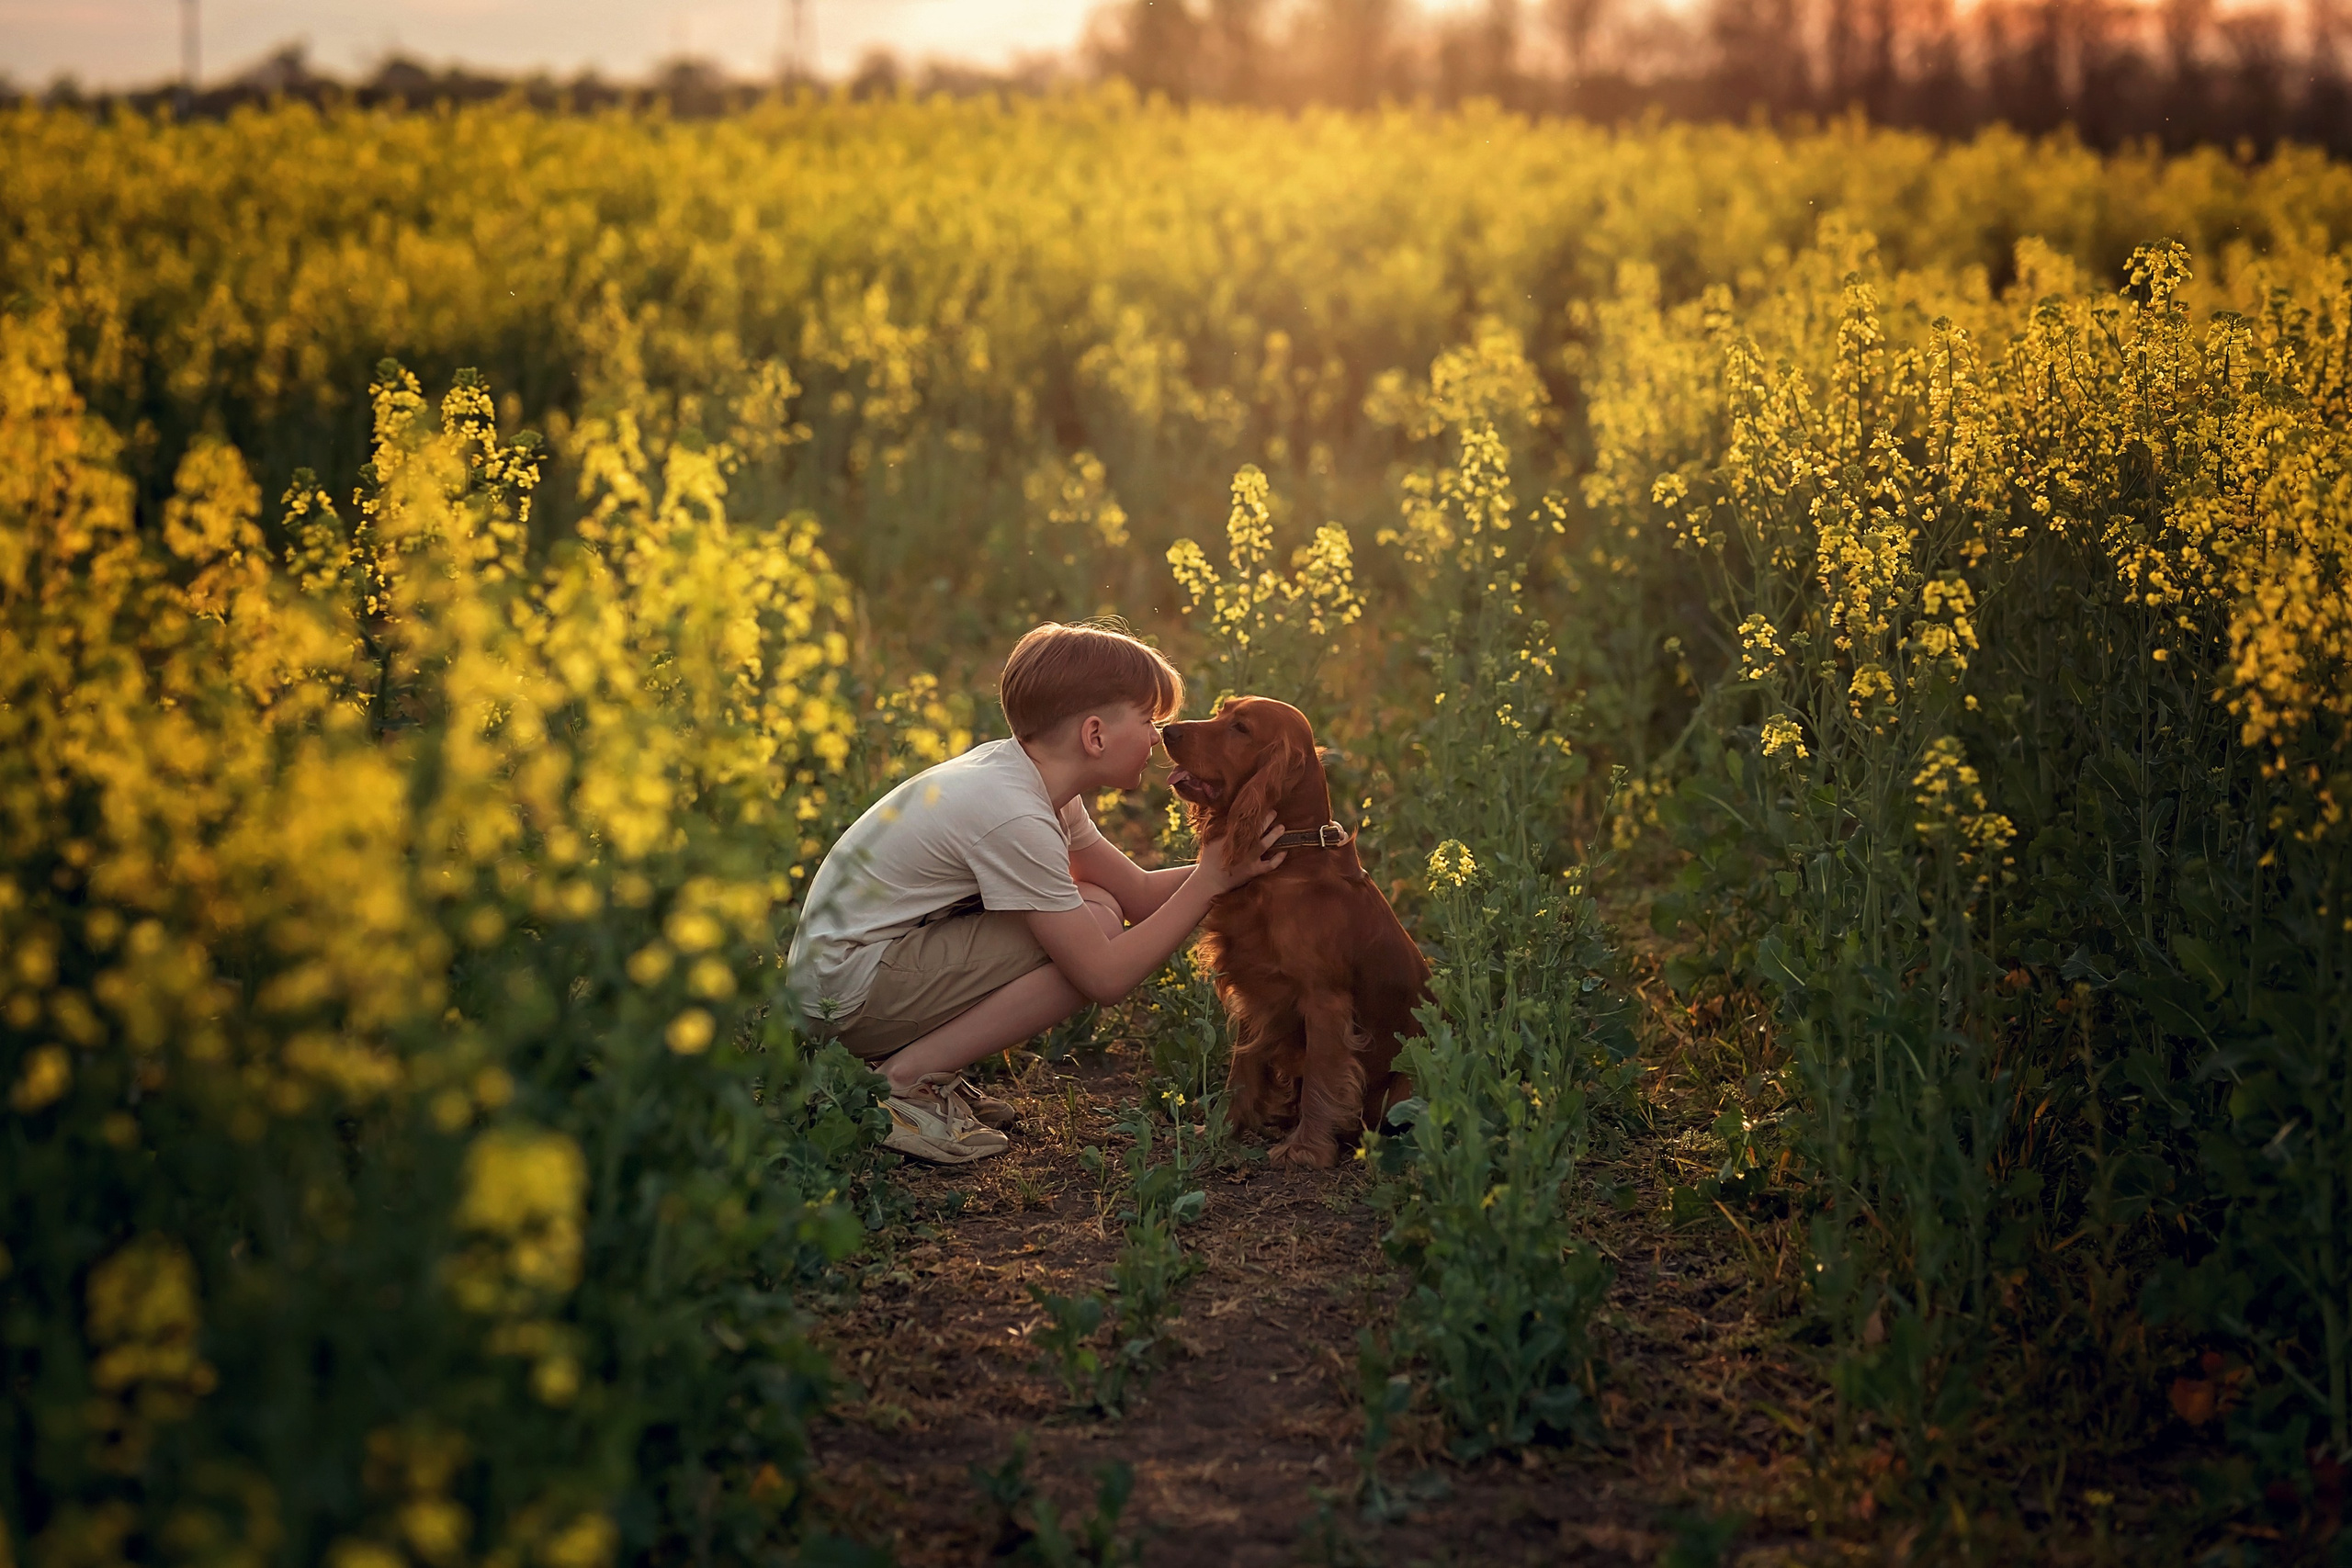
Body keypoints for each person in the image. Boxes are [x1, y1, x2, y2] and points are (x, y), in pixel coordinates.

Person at [786, 621, 1288, 1163]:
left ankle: (923, 1069)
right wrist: (1211, 880)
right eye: (1149, 721)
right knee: (1093, 930)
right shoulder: (1013, 814)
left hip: (860, 973)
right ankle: (903, 1085)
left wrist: (1239, 868)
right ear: (1094, 736)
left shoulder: (1030, 780)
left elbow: (1140, 894)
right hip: (846, 995)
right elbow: (1105, 977)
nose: (1157, 738)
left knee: (1099, 907)